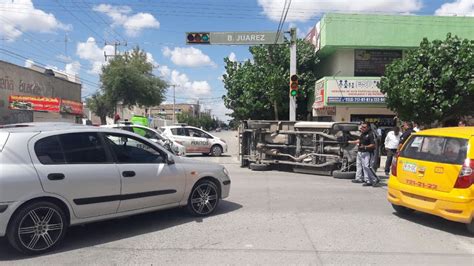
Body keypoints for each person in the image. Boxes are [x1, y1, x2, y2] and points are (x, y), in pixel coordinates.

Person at [349, 122, 380, 187]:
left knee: (367, 166)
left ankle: (375, 179)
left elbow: (373, 145)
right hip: (360, 152)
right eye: (362, 127)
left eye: (364, 127)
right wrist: (350, 142)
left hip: (367, 153)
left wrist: (365, 147)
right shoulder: (363, 134)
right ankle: (365, 180)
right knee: (360, 166)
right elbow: (360, 141)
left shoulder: (371, 134)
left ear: (368, 127)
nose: (362, 128)